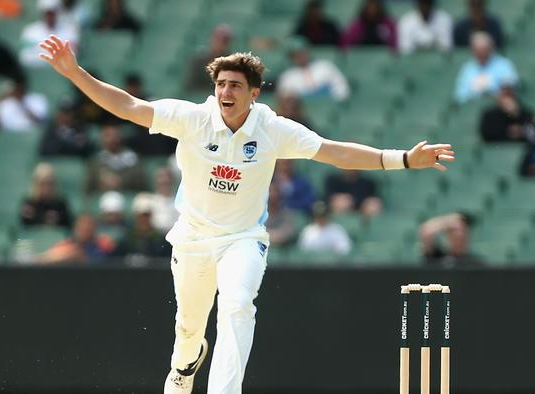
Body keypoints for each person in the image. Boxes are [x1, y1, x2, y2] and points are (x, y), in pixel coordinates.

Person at [38, 34, 454, 393]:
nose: (225, 92)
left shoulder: (272, 128)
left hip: (243, 239)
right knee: (189, 330)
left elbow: (333, 151)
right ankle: (184, 369)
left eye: (235, 85)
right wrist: (76, 73)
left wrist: (401, 159)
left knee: (237, 305)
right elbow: (129, 107)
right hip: (193, 238)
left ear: (254, 93)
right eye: (220, 84)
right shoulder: (192, 119)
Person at [277, 37, 350, 102]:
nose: (301, 56)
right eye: (296, 54)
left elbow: (342, 88)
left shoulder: (325, 66)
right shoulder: (287, 77)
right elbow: (285, 100)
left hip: (330, 109)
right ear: (291, 57)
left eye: (303, 52)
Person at [454, 32, 518, 103]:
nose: (481, 53)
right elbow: (460, 94)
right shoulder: (468, 68)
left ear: (491, 48)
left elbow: (509, 88)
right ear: (473, 50)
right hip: (473, 106)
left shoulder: (504, 65)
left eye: (484, 49)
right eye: (478, 50)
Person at [85, 123, 149, 194]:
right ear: (102, 138)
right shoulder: (95, 160)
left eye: (115, 136)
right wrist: (103, 179)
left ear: (121, 137)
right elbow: (89, 184)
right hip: (103, 197)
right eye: (108, 136)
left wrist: (121, 180)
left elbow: (142, 181)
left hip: (127, 196)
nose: (112, 139)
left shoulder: (133, 157)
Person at [19, 0, 79, 68]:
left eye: (53, 13)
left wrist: (41, 53)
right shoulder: (30, 31)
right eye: (47, 13)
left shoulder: (70, 29)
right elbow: (25, 58)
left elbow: (73, 55)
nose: (50, 17)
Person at [114, 192, 172, 260]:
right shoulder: (126, 240)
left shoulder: (162, 242)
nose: (143, 219)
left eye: (146, 215)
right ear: (135, 215)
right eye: (140, 215)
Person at [40, 214, 115, 264]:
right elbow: (48, 258)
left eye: (89, 227)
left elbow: (107, 261)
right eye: (82, 226)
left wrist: (80, 257)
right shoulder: (66, 244)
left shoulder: (102, 245)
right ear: (75, 228)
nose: (85, 228)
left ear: (94, 229)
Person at [19, 163, 73, 228]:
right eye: (42, 183)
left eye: (49, 183)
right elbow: (23, 227)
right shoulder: (29, 203)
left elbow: (68, 225)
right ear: (36, 184)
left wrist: (57, 221)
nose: (46, 187)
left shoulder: (61, 203)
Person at [185, 24, 233, 92]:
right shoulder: (200, 60)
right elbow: (190, 84)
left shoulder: (231, 63)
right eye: (217, 38)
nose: (218, 43)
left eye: (223, 40)